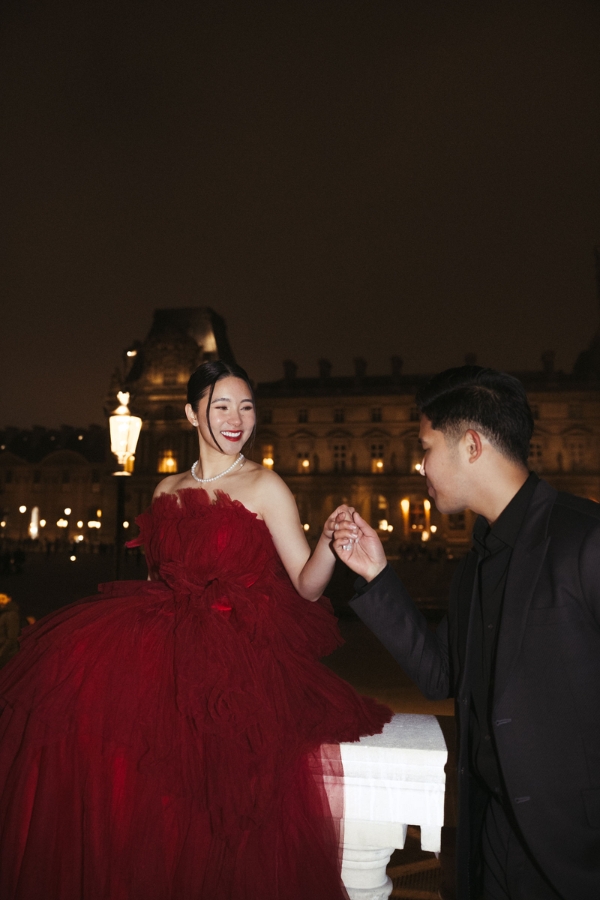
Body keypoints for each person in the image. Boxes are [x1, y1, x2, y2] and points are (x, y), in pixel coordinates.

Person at [0, 360, 391, 900]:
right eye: (222, 406)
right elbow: (155, 579)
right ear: (191, 413)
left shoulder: (266, 484)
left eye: (247, 407)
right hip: (166, 652)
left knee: (227, 816)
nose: (237, 419)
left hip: (236, 663)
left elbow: (307, 588)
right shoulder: (166, 489)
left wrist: (327, 541)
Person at [333, 366, 600, 900]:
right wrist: (378, 577)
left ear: (472, 445)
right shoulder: (476, 561)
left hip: (576, 854)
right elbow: (441, 674)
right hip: (490, 840)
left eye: (426, 447)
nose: (419, 464)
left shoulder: (585, 539)